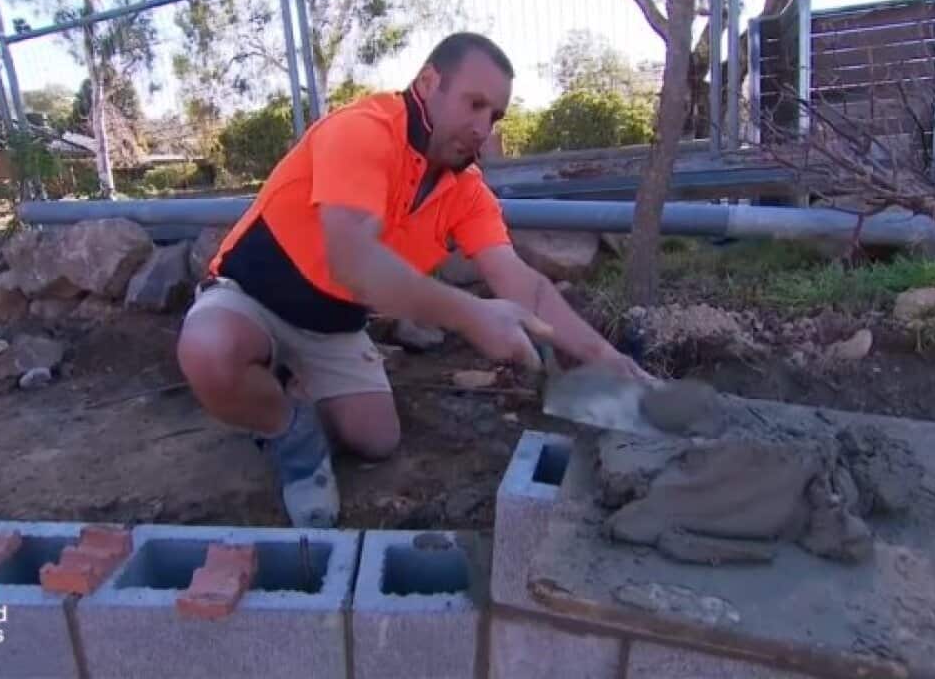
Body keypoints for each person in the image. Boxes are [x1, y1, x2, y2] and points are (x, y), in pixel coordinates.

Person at [176, 32, 652, 528]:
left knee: (376, 439)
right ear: (428, 83)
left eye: (494, 116)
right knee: (211, 350)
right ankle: (291, 434)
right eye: (474, 103)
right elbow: (353, 262)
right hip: (251, 297)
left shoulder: (468, 193)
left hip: (332, 324)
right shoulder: (362, 130)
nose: (482, 127)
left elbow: (520, 281)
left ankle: (281, 386)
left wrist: (605, 358)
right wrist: (472, 316)